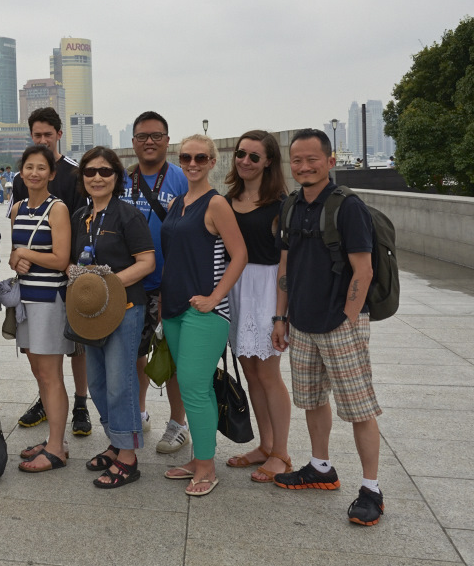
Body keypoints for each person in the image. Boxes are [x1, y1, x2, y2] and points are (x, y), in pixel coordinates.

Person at [272, 129, 385, 526]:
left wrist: (349, 320)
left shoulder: (347, 207)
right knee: (313, 400)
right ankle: (321, 467)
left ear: (330, 161)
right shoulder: (291, 205)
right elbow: (286, 267)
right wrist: (281, 318)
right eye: (297, 160)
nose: (304, 166)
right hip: (301, 323)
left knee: (358, 409)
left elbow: (364, 269)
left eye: (312, 160)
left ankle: (371, 488)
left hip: (339, 324)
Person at [160, 134, 247, 497]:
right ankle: (199, 459)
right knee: (193, 386)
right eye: (185, 157)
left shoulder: (216, 205)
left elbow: (239, 254)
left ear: (213, 162)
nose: (192, 163)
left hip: (205, 313)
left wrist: (215, 297)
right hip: (175, 309)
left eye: (200, 157)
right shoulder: (177, 203)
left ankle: (207, 467)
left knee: (195, 388)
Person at [70, 147, 155, 488]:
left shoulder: (128, 215)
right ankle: (116, 441)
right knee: (98, 382)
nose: (97, 177)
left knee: (122, 383)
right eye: (90, 172)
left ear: (117, 177)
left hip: (125, 310)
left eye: (105, 172)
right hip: (90, 313)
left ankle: (129, 458)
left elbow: (147, 262)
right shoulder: (81, 216)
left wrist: (108, 285)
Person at [8, 107, 92, 438]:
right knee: (40, 353)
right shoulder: (19, 182)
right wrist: (18, 257)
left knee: (76, 346)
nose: (42, 140)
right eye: (36, 135)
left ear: (59, 134)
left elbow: (82, 221)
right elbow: (19, 230)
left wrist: (70, 266)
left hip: (69, 269)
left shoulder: (74, 173)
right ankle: (47, 401)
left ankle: (81, 402)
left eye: (48, 135)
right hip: (33, 277)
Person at [223, 130, 293, 483]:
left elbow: (285, 264)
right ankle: (265, 446)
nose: (245, 161)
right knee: (250, 373)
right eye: (241, 154)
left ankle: (281, 452)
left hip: (266, 292)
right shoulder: (228, 198)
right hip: (235, 289)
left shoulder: (282, 205)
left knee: (269, 375)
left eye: (254, 156)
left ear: (268, 161)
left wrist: (281, 315)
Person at [124, 111, 191, 453]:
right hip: (134, 285)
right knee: (135, 356)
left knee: (174, 358)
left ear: (168, 140)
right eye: (142, 136)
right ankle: (139, 412)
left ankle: (179, 423)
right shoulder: (123, 179)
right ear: (133, 142)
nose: (149, 141)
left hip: (173, 285)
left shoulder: (182, 179)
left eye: (156, 135)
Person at [10, 146, 73, 472]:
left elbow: (61, 260)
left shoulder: (57, 209)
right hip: (25, 301)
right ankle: (54, 438)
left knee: (51, 375)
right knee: (39, 373)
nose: (34, 173)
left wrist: (26, 254)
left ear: (51, 173)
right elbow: (14, 253)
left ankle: (56, 449)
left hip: (49, 301)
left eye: (41, 168)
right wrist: (16, 257)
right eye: (28, 167)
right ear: (22, 172)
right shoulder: (18, 207)